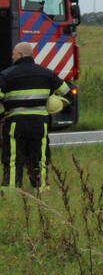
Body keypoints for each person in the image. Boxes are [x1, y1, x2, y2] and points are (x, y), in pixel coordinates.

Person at [0, 42, 71, 189]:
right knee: (40, 158)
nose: (12, 57)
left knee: (13, 159)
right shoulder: (47, 73)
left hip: (15, 123)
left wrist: (2, 115)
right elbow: (67, 92)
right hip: (40, 123)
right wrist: (54, 102)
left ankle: (12, 191)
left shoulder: (6, 75)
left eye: (13, 54)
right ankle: (42, 189)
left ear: (20, 55)